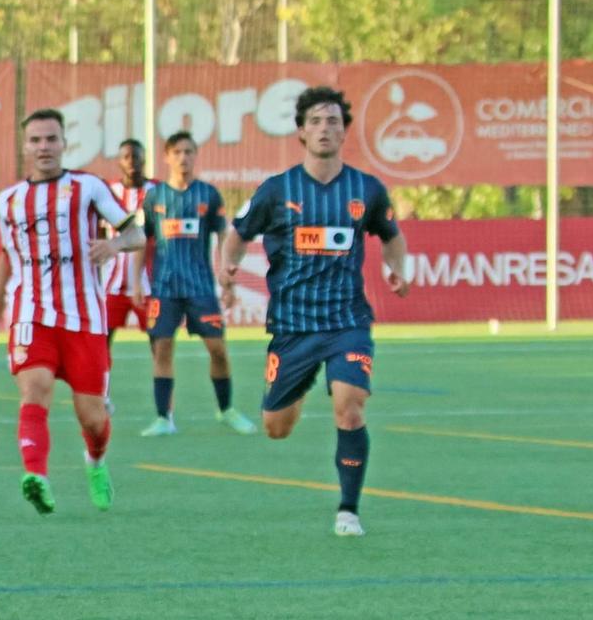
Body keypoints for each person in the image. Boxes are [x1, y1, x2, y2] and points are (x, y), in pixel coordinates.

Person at [218, 85, 412, 536]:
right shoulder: (276, 190)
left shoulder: (366, 189)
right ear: (301, 132)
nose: (325, 128)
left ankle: (348, 511)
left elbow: (392, 236)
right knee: (276, 428)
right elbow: (237, 232)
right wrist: (228, 266)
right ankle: (301, 378)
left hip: (348, 322)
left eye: (333, 121)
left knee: (350, 408)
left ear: (344, 131)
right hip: (293, 328)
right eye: (316, 121)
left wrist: (396, 269)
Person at [0, 109, 145, 514]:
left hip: (84, 318)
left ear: (64, 143)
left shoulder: (88, 188)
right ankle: (36, 475)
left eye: (51, 139)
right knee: (35, 391)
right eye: (35, 140)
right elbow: (6, 258)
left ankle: (96, 461)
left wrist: (114, 246)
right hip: (30, 313)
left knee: (92, 418)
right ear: (24, 147)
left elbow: (136, 232)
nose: (43, 147)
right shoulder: (9, 200)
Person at [138, 131, 256, 437]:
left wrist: (226, 277)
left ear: (195, 155)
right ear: (166, 157)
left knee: (217, 348)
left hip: (200, 287)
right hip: (164, 288)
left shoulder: (209, 195)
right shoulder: (154, 198)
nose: (183, 157)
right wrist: (134, 281)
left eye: (189, 151)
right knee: (162, 349)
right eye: (177, 152)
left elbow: (222, 238)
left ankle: (226, 410)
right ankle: (164, 418)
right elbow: (141, 240)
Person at [102, 138, 153, 351]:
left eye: (137, 156)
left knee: (160, 345)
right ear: (119, 161)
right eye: (126, 157)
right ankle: (99, 385)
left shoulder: (157, 191)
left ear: (144, 160)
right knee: (101, 345)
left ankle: (162, 386)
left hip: (150, 285)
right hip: (111, 285)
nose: (132, 161)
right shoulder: (107, 192)